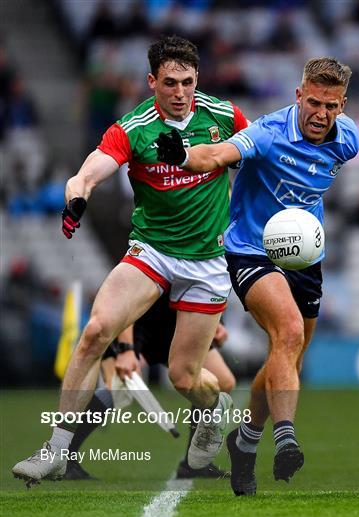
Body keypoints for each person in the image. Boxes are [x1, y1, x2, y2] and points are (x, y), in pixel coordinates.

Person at [12, 35, 248, 487]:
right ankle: (57, 449)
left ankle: (214, 410)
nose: (180, 93)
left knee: (185, 377)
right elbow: (89, 171)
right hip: (152, 251)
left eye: (188, 82)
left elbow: (256, 153)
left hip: (209, 261)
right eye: (169, 83)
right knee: (95, 331)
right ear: (151, 82)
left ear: (198, 80)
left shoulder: (224, 115)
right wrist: (77, 198)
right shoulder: (133, 128)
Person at [156, 56, 359, 495]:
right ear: (298, 96)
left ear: (343, 105)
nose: (322, 114)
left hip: (304, 255)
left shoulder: (349, 141)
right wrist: (185, 156)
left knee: (290, 355)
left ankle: (245, 441)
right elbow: (219, 154)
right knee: (286, 332)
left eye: (333, 106)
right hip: (251, 250)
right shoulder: (268, 133)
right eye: (315, 103)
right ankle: (285, 439)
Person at [65, 294, 235, 480]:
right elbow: (126, 300)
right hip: (137, 324)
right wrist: (126, 350)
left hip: (177, 325)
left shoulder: (212, 265)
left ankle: (193, 464)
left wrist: (217, 324)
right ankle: (65, 457)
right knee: (117, 388)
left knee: (223, 381)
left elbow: (210, 290)